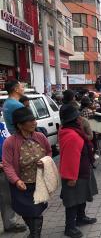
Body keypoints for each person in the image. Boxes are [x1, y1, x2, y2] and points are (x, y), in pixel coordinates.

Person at [2, 107, 51, 237]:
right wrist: (16, 180)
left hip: (39, 183)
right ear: (19, 125)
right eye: (30, 120)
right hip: (21, 185)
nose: (34, 122)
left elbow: (49, 152)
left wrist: (45, 160)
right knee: (26, 210)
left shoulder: (40, 136)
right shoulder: (10, 142)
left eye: (34, 119)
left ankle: (35, 235)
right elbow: (7, 164)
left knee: (36, 211)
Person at [59, 104, 98, 238]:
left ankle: (81, 217)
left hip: (82, 169)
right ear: (74, 120)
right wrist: (71, 177)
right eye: (78, 117)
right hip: (75, 173)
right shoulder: (72, 135)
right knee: (72, 201)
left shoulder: (73, 131)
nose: (80, 119)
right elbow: (71, 158)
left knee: (82, 196)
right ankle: (69, 227)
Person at [0, 80, 27, 234]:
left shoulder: (8, 106)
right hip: (11, 155)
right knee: (7, 193)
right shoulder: (15, 105)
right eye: (21, 86)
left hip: (8, 155)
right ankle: (10, 223)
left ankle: (11, 221)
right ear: (16, 89)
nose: (23, 88)